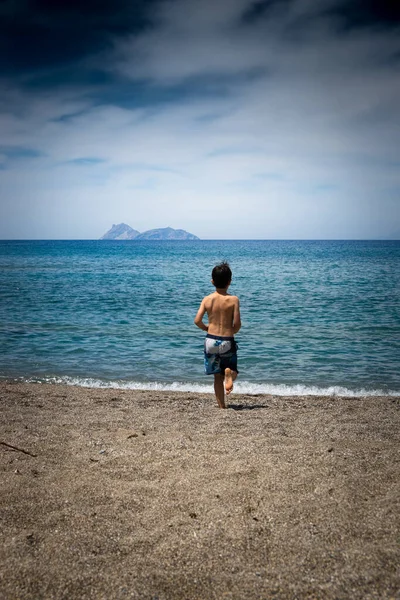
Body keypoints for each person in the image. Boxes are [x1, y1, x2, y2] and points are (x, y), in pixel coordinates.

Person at [194, 261, 241, 408]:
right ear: (230, 282)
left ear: (212, 281)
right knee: (232, 370)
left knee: (216, 377)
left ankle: (222, 406)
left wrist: (207, 328)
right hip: (227, 340)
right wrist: (231, 331)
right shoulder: (233, 300)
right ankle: (230, 374)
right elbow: (237, 324)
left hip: (211, 341)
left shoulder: (207, 299)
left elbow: (197, 320)